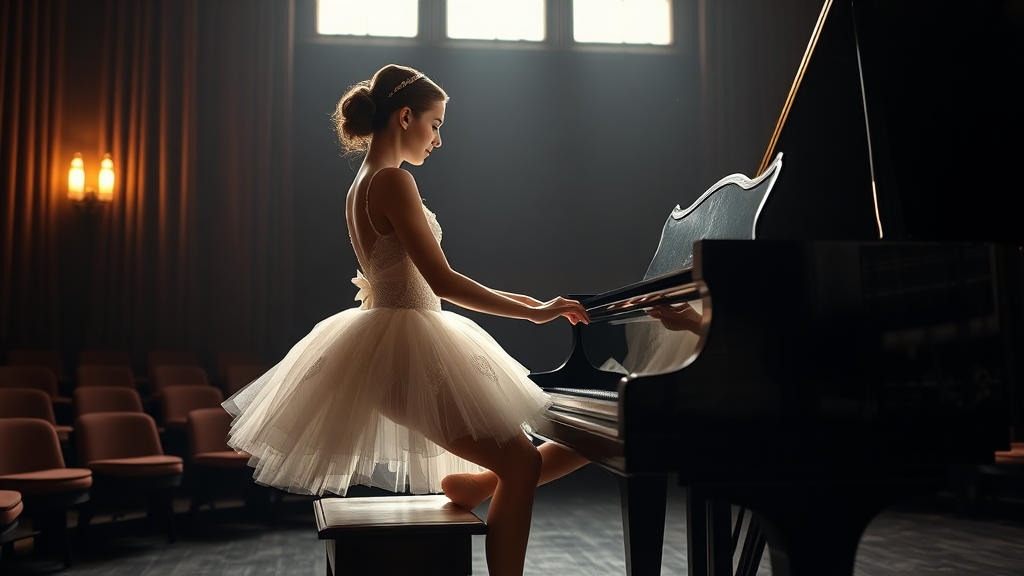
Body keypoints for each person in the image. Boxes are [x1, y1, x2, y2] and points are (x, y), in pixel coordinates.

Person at [223, 64, 590, 576]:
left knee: (521, 458)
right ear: (404, 117)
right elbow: (443, 282)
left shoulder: (364, 183)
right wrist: (533, 311)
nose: (437, 139)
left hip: (396, 339)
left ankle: (475, 485)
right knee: (522, 461)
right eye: (435, 124)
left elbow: (428, 279)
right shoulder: (393, 181)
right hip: (405, 346)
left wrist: (532, 304)